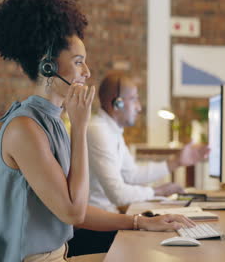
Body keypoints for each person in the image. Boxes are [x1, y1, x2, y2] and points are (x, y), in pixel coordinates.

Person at [0, 0, 194, 261]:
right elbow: (73, 214)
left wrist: (140, 221)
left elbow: (79, 208)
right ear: (47, 66)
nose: (87, 71)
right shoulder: (25, 129)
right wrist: (80, 126)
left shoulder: (53, 122)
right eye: (78, 62)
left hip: (60, 254)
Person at [66, 71, 209, 256]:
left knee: (162, 235)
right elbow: (118, 194)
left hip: (105, 221)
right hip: (90, 229)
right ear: (117, 103)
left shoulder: (112, 130)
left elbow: (132, 174)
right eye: (133, 99)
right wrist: (156, 191)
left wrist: (176, 162)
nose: (139, 107)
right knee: (155, 244)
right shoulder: (98, 131)